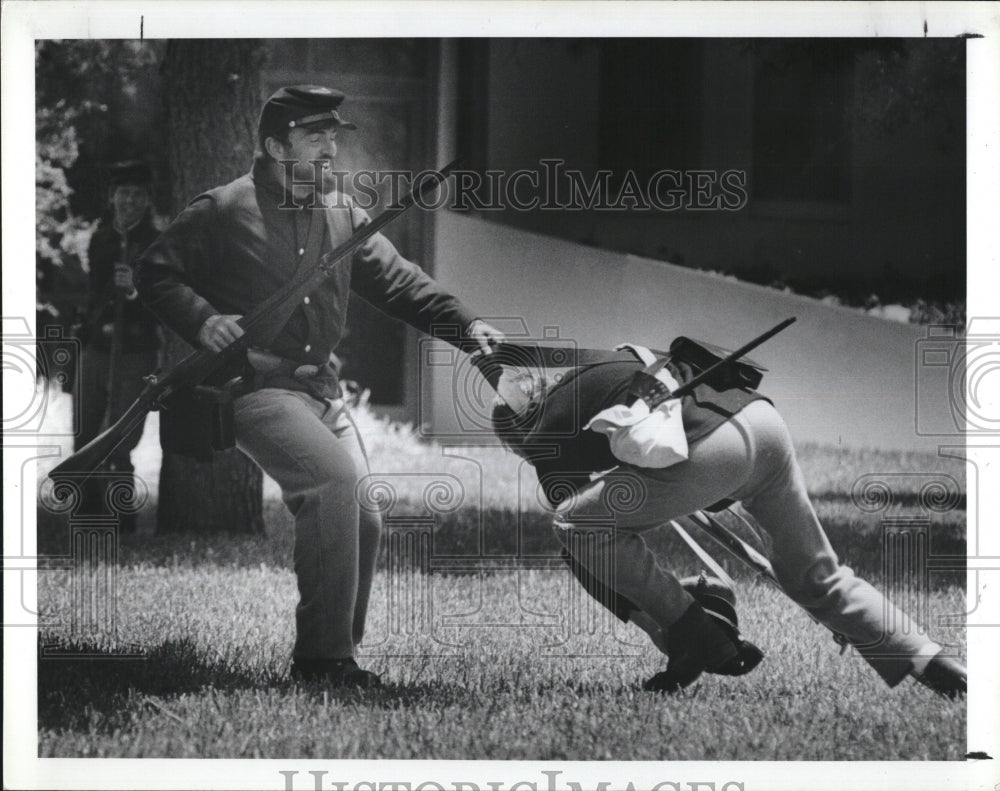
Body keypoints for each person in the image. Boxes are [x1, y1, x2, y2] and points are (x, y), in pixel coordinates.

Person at [135, 85, 503, 689]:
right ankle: (322, 660)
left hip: (323, 392)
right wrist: (202, 318)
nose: (330, 147)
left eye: (334, 135)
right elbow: (156, 271)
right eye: (316, 136)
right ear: (277, 145)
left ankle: (339, 655)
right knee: (334, 481)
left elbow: (403, 285)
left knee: (363, 514)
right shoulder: (223, 209)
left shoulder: (342, 214)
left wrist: (466, 326)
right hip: (254, 388)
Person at [488, 339, 968, 697]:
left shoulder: (539, 429)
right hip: (761, 425)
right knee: (819, 577)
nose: (518, 450)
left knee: (576, 525)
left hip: (711, 449)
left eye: (510, 443)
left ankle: (694, 631)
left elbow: (581, 534)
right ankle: (931, 661)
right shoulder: (610, 361)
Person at [75, 160, 162, 532]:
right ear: (112, 198)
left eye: (138, 195)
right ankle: (88, 515)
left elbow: (164, 301)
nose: (130, 201)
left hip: (135, 351)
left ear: (147, 200)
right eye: (124, 194)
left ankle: (121, 521)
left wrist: (134, 290)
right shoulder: (101, 238)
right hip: (97, 348)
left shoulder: (156, 242)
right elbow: (93, 294)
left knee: (120, 436)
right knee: (84, 431)